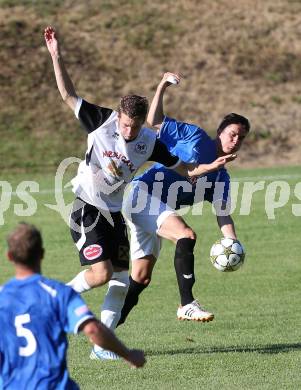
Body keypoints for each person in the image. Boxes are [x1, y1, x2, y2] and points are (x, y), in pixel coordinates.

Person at [44, 27, 236, 360]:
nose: (129, 133)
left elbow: (184, 170)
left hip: (115, 212)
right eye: (125, 125)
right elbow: (68, 94)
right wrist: (55, 55)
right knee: (102, 274)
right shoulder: (101, 121)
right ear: (118, 116)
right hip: (87, 208)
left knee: (121, 279)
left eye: (135, 127)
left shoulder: (149, 141)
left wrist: (211, 166)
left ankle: (102, 350)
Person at [118, 72, 250, 326]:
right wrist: (162, 86)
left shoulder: (221, 177)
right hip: (141, 195)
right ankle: (187, 304)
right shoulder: (195, 137)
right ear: (220, 131)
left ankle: (105, 333)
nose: (236, 141)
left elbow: (223, 213)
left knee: (140, 279)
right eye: (232, 134)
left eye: (241, 138)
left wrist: (231, 242)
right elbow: (153, 120)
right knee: (185, 235)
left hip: (155, 210)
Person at [0, 223, 145, 390]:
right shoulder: (58, 293)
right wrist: (128, 354)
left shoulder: (2, 297)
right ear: (42, 254)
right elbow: (92, 329)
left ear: (9, 256)